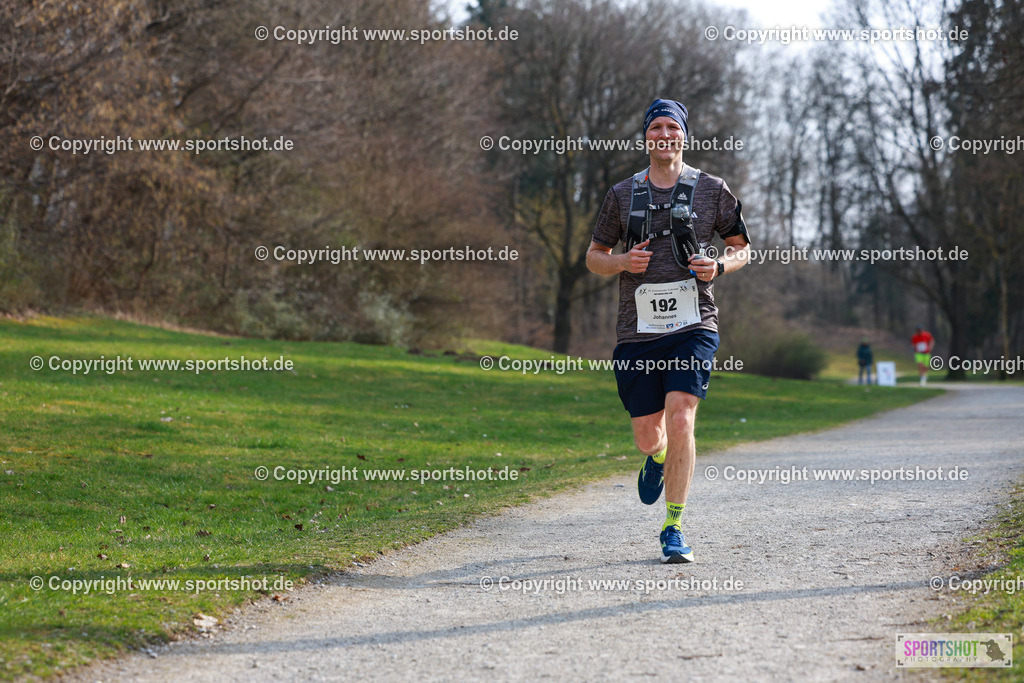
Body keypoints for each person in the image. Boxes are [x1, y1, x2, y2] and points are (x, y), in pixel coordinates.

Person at [586, 98, 751, 563]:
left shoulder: (712, 189)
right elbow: (593, 255)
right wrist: (621, 261)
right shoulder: (622, 194)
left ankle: (674, 526)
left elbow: (743, 248)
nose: (664, 135)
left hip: (694, 324)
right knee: (648, 434)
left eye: (671, 128)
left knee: (681, 417)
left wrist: (718, 265)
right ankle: (655, 457)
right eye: (655, 128)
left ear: (684, 136)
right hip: (637, 331)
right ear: (646, 138)